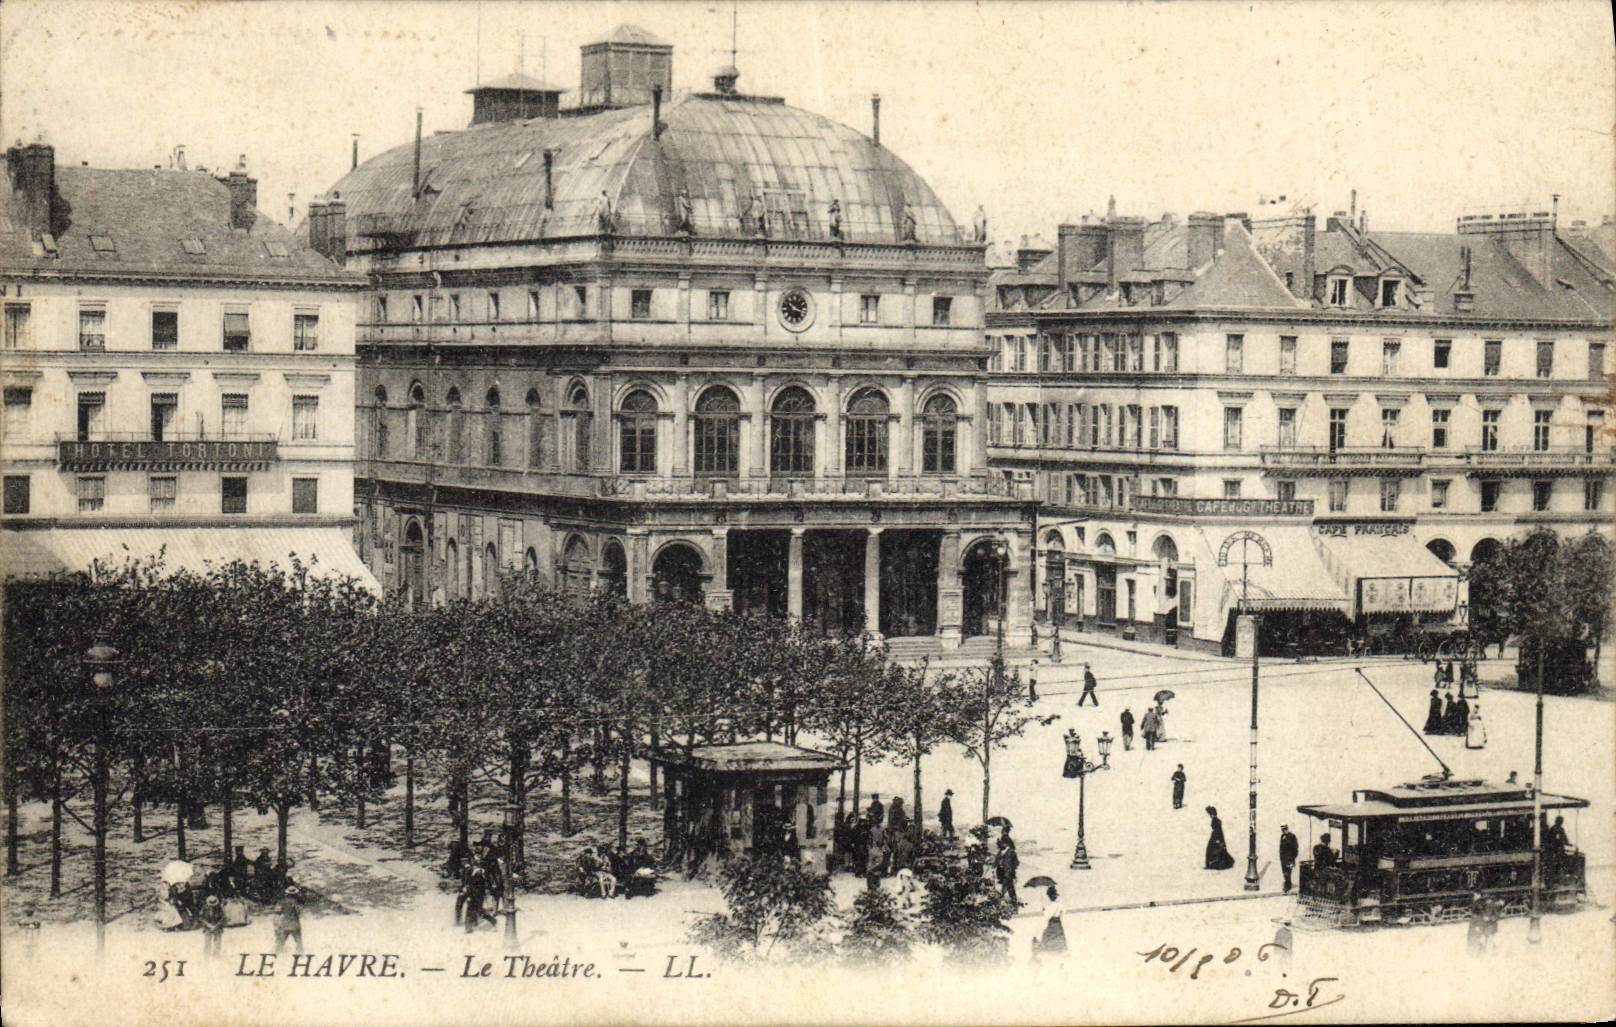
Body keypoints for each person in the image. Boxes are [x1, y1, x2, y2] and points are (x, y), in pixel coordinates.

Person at [1032, 884, 1067, 960]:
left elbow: (1047, 916)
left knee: (1048, 935)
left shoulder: (1051, 906)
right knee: (1059, 935)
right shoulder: (1060, 905)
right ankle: (1059, 948)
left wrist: (1044, 911)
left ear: (1049, 896)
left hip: (1052, 923)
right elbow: (1063, 913)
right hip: (1058, 923)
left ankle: (1050, 949)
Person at [274, 885, 304, 954]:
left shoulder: (282, 901)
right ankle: (300, 953)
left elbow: (278, 911)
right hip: (295, 924)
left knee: (282, 941)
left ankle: (277, 953)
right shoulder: (296, 902)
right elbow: (298, 912)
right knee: (298, 941)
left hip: (285, 923)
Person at [199, 894, 226, 958]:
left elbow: (222, 918)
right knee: (207, 943)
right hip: (208, 927)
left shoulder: (219, 909)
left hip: (217, 927)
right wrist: (208, 925)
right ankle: (206, 956)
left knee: (217, 943)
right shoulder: (204, 909)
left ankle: (216, 956)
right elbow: (201, 918)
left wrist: (216, 925)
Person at [995, 836, 1020, 903]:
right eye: (1002, 843)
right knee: (1009, 887)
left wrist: (1011, 867)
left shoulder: (1011, 852)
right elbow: (996, 862)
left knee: (1007, 886)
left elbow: (1017, 863)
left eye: (1003, 843)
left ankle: (1001, 899)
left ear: (1007, 844)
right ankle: (1012, 900)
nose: (1002, 844)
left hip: (1009, 873)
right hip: (1001, 873)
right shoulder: (1000, 852)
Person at [1279, 825, 1300, 893]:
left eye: (1284, 829)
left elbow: (1295, 848)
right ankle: (1288, 884)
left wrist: (1292, 857)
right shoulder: (1282, 836)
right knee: (1285, 872)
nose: (1283, 831)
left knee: (1288, 872)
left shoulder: (1292, 836)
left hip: (1290, 858)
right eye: (1282, 830)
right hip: (1283, 859)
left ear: (1287, 829)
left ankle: (1287, 886)